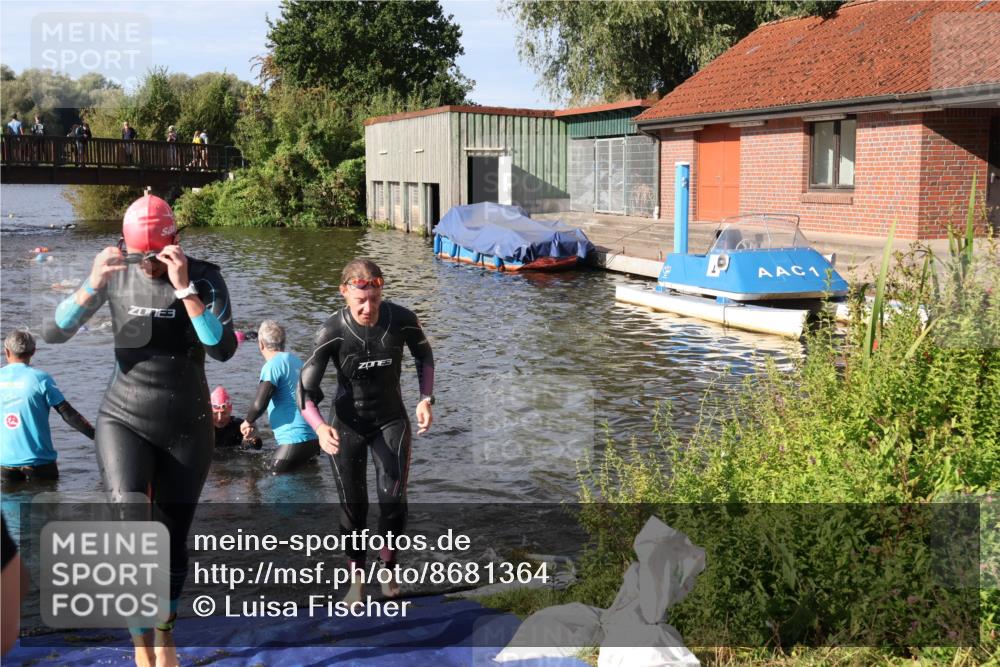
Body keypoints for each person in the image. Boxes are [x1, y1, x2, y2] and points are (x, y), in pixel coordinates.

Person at [42, 194, 237, 667]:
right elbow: (54, 332)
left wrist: (184, 288)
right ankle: (139, 646)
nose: (145, 265)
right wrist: (92, 284)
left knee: (170, 540)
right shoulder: (115, 274)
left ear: (174, 245)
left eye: (154, 256)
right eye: (138, 255)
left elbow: (223, 349)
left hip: (187, 423)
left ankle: (165, 636)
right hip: (123, 417)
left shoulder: (206, 277)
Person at [297, 258, 434, 602]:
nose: (368, 308)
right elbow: (304, 392)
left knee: (392, 501)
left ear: (380, 290)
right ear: (344, 292)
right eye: (360, 301)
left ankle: (388, 571)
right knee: (353, 506)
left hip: (391, 420)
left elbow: (425, 357)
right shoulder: (331, 331)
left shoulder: (400, 319)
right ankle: (357, 579)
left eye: (374, 299)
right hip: (346, 427)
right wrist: (318, 426)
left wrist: (425, 398)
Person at [0, 330, 95, 481]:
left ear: (6, 351)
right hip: (40, 463)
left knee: (10, 503)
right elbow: (69, 415)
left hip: (5, 464)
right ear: (33, 351)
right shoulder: (41, 379)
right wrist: (97, 437)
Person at [241, 321, 318, 473]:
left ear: (261, 344)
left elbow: (259, 403)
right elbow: (315, 396)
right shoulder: (298, 361)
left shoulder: (272, 365)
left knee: (274, 484)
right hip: (314, 441)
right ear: (284, 342)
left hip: (293, 441)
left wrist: (248, 421)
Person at [210, 386, 261, 450]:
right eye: (215, 413)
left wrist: (253, 438)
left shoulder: (241, 426)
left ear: (230, 411)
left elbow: (258, 448)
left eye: (224, 413)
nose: (219, 418)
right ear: (209, 413)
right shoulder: (204, 428)